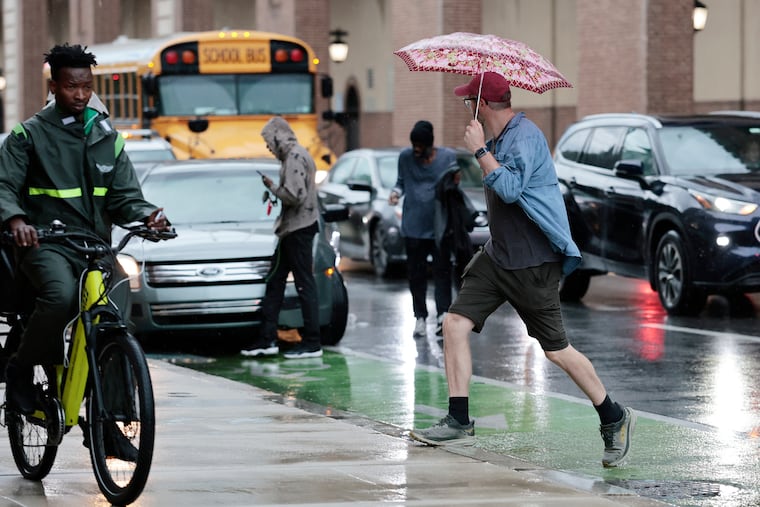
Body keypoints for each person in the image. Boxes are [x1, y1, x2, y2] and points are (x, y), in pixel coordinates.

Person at [409, 72, 635, 468]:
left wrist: (480, 151)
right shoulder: (498, 140)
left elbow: (511, 189)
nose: (466, 107)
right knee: (454, 323)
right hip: (498, 259)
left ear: (483, 105)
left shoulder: (526, 136)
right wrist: (485, 149)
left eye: (469, 101)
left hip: (534, 263)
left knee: (557, 351)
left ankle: (613, 417)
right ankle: (459, 420)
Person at [0, 43, 169, 415]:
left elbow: (125, 197)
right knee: (60, 299)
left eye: (87, 87)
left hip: (95, 248)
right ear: (53, 87)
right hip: (45, 245)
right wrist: (17, 220)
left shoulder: (107, 138)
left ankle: (113, 426)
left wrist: (147, 217)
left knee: (113, 328)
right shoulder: (27, 136)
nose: (80, 95)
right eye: (71, 87)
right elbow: (4, 187)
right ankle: (20, 369)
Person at [240, 116, 323, 359]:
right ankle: (268, 339)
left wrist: (273, 188)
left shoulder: (294, 158)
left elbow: (295, 195)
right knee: (276, 283)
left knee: (302, 284)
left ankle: (311, 342)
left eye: (268, 141)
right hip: (295, 228)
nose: (268, 147)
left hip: (297, 229)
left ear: (278, 137)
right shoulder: (298, 155)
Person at [389, 121, 458, 338]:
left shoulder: (447, 157)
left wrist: (455, 182)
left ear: (430, 144)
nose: (416, 149)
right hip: (413, 227)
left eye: (420, 145)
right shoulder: (406, 158)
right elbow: (400, 182)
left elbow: (454, 186)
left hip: (439, 228)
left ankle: (443, 315)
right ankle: (420, 317)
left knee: (442, 272)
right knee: (416, 276)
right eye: (414, 145)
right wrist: (395, 193)